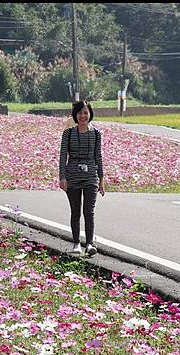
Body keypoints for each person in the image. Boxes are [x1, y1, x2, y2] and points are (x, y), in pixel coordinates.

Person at [59, 100, 105, 256]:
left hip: (91, 176)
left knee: (89, 211)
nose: (83, 116)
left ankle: (90, 244)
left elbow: (98, 157)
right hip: (72, 176)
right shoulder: (68, 133)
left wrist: (101, 179)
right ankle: (76, 243)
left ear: (90, 114)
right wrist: (62, 177)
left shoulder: (97, 134)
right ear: (75, 115)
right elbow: (62, 156)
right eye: (80, 113)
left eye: (86, 112)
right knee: (75, 211)